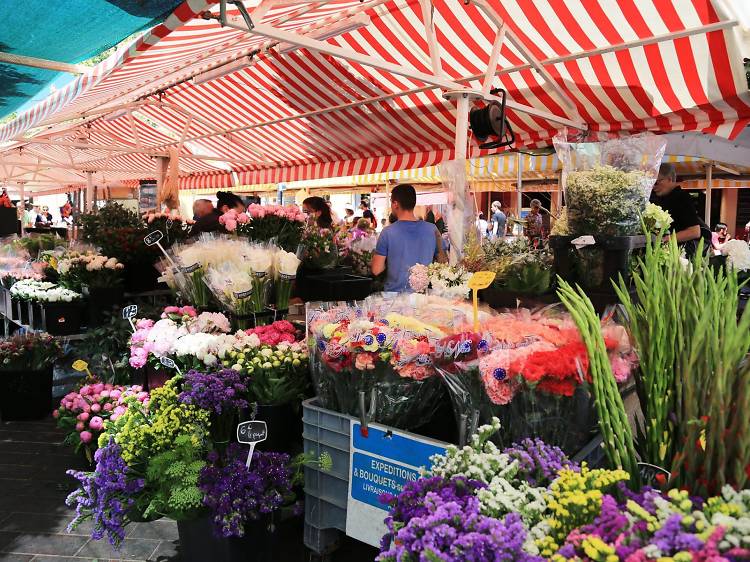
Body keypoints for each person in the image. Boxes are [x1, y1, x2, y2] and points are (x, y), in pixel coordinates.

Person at [371, 183, 447, 292]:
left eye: (391, 202)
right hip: (424, 297)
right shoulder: (432, 230)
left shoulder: (387, 232)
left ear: (395, 204)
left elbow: (376, 269)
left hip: (394, 297)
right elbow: (443, 264)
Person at [650, 163, 707, 254]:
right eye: (651, 183)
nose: (653, 187)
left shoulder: (681, 197)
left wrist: (664, 239)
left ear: (669, 179)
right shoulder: (664, 198)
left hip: (680, 255)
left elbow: (695, 231)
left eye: (656, 182)